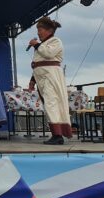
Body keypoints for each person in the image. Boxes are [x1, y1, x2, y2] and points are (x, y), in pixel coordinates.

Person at [28, 17, 72, 145]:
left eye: (40, 30)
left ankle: (58, 135)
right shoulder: (42, 45)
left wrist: (36, 44)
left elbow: (48, 54)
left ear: (49, 30)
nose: (38, 33)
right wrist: (32, 80)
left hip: (51, 77)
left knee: (51, 103)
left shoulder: (55, 41)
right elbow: (38, 63)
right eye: (38, 30)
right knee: (49, 104)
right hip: (42, 78)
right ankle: (56, 134)